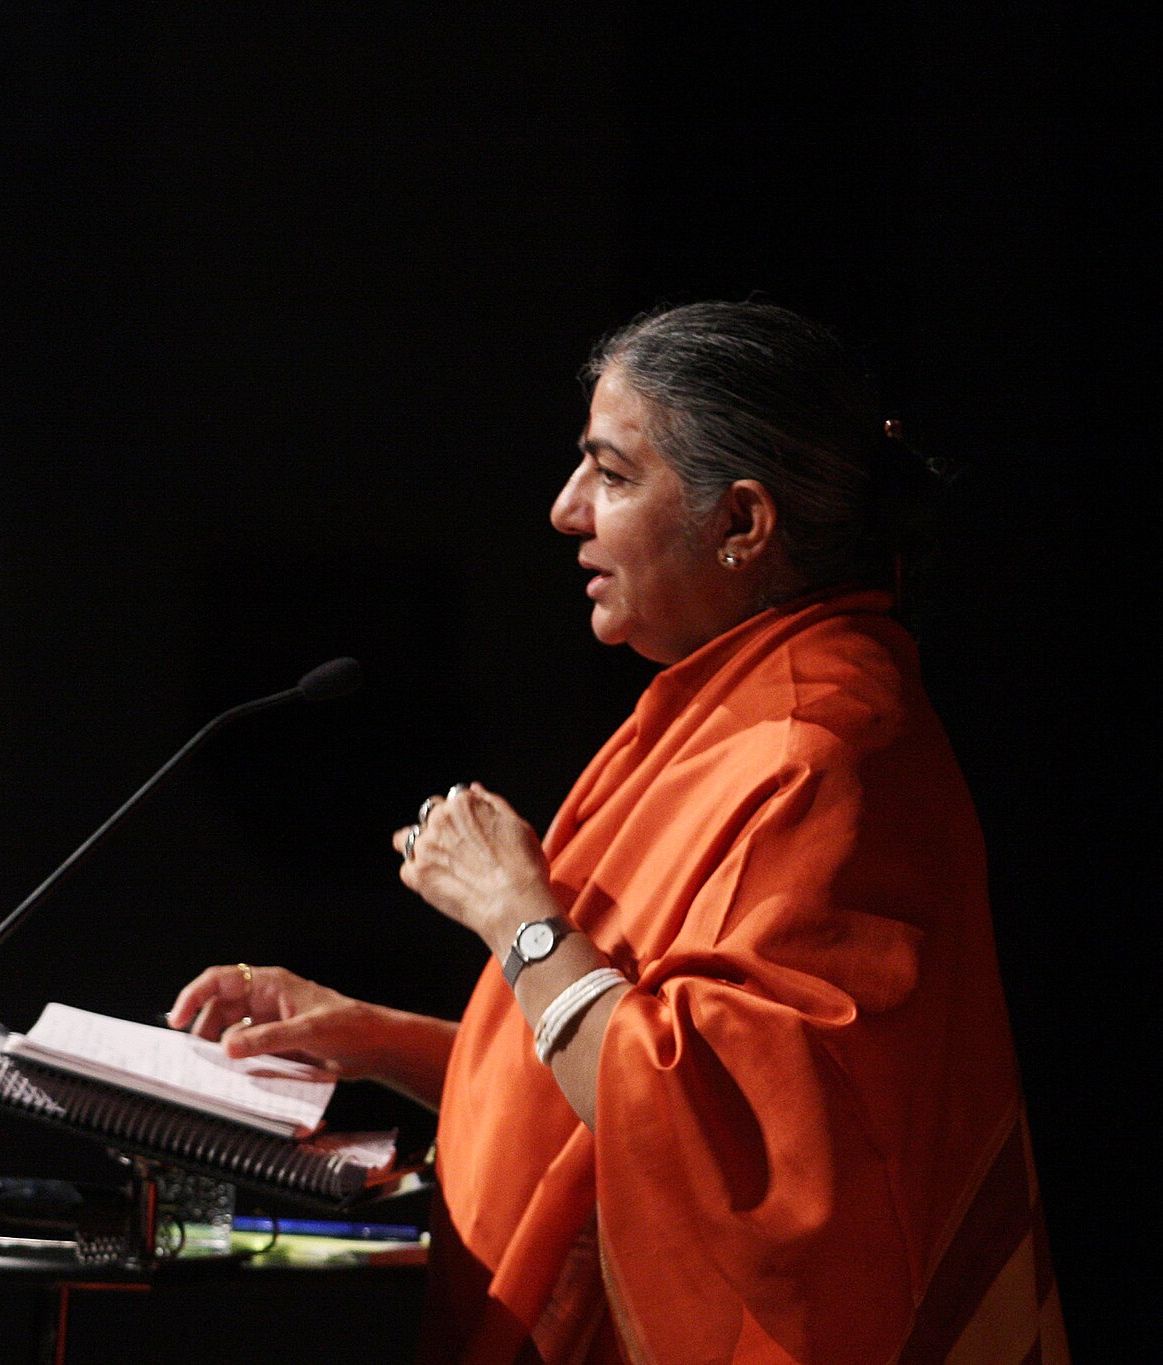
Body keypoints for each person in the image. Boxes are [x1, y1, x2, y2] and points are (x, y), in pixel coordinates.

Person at [169, 302, 1066, 1364]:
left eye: (610, 474)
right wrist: (365, 1035)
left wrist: (517, 918)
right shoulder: (723, 711)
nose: (563, 511)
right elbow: (618, 1087)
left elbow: (735, 1152)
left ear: (741, 525)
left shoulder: (821, 753)